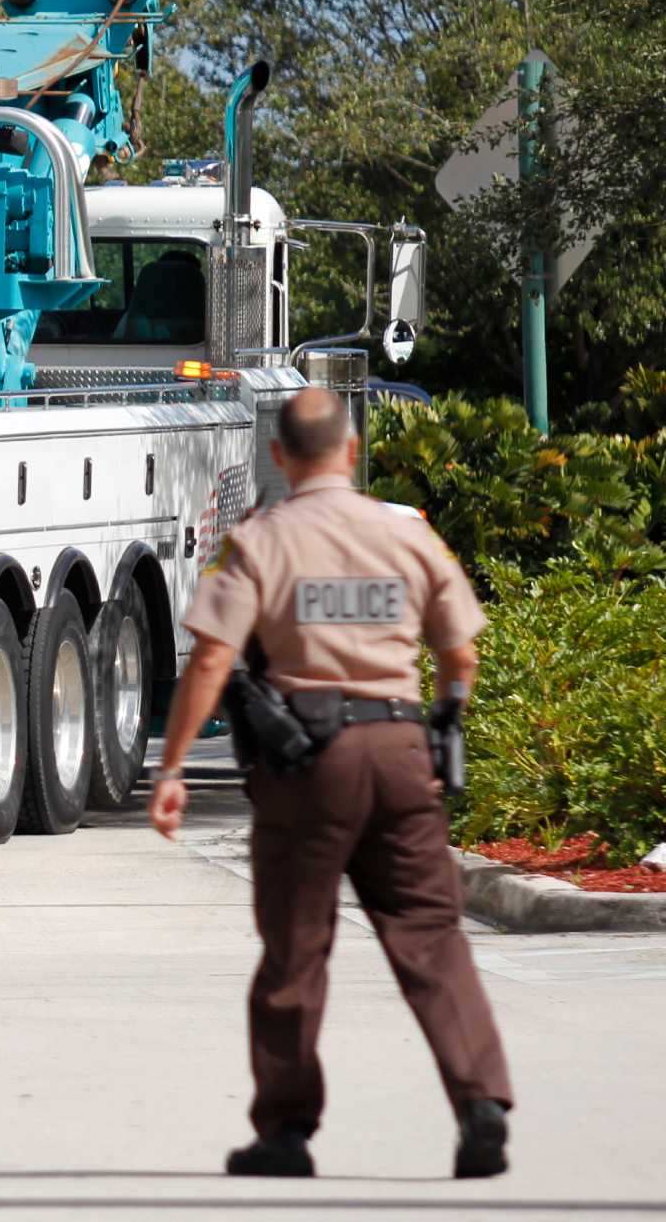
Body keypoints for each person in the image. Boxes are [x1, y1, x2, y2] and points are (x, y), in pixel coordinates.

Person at [147, 388, 513, 1180]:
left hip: (307, 760)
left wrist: (172, 769)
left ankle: (285, 1133)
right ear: (350, 451)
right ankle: (481, 1101)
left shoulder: (258, 542)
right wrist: (446, 720)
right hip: (401, 745)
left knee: (297, 944)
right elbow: (462, 652)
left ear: (279, 456)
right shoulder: (409, 534)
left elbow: (213, 659)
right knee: (430, 931)